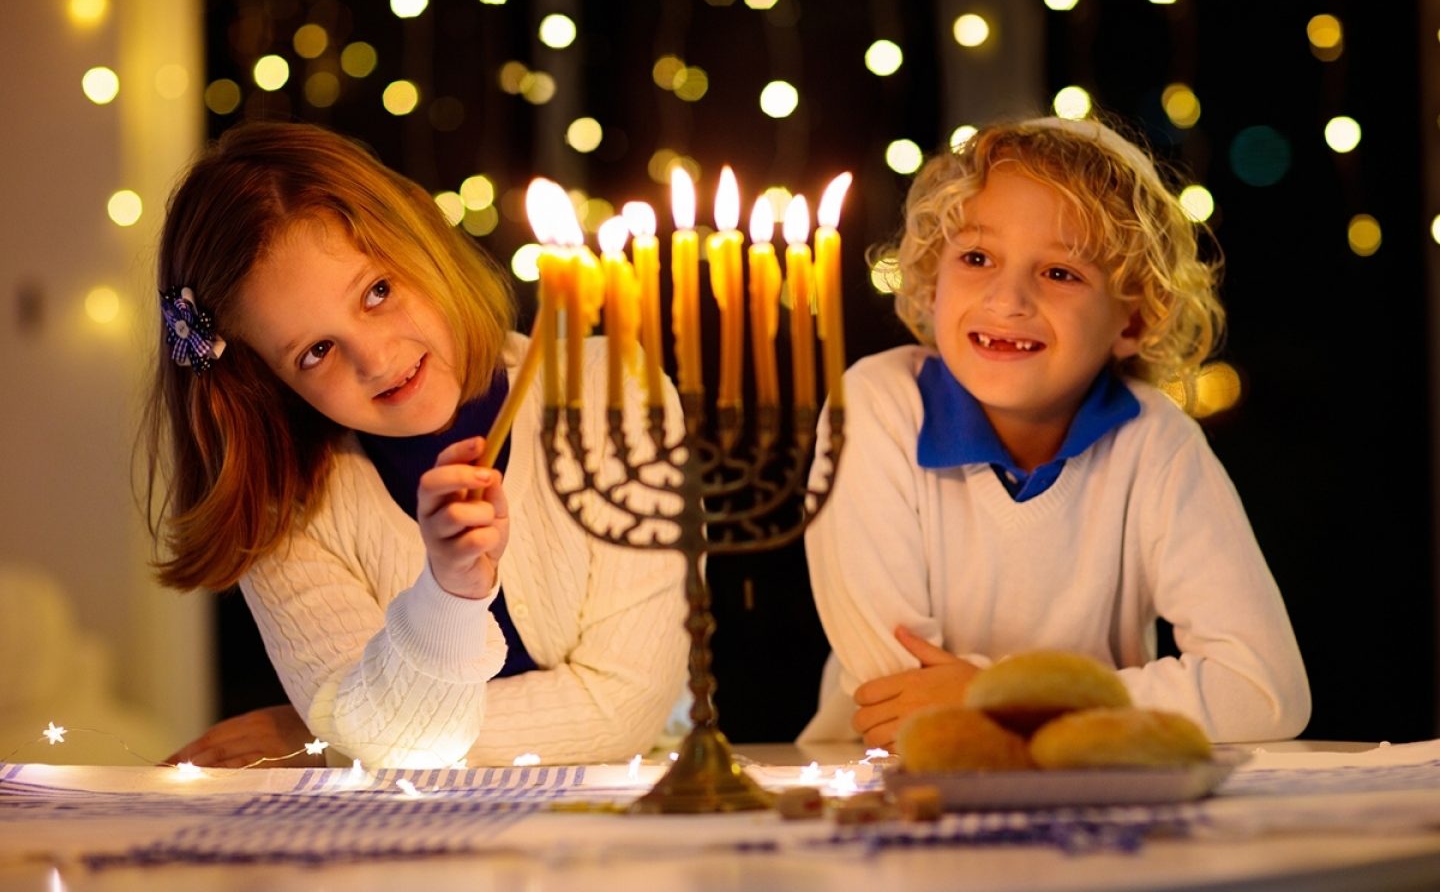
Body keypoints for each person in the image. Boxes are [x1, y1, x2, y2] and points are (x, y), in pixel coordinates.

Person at [143, 121, 687, 769]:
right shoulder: (280, 507)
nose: (376, 360)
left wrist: (336, 739)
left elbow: (620, 715)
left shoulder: (609, 390)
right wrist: (449, 593)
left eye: (378, 291)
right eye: (316, 352)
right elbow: (388, 738)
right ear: (270, 380)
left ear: (423, 242)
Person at [800, 115, 1311, 749]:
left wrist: (999, 696)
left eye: (1061, 273)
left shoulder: (1156, 443)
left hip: (1092, 798)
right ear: (933, 284)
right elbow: (899, 692)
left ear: (1131, 321)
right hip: (884, 798)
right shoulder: (873, 408)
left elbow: (1267, 692)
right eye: (977, 257)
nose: (1008, 299)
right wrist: (1085, 707)